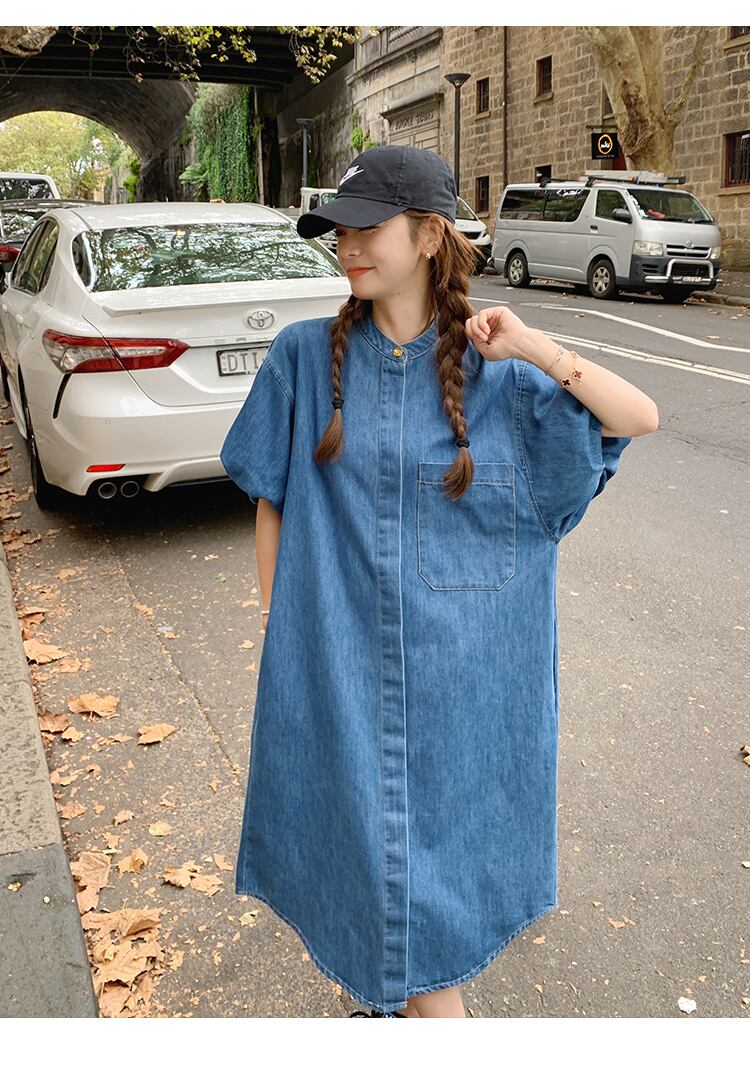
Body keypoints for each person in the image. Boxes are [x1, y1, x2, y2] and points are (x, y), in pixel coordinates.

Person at [220, 145, 659, 1019]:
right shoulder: (304, 358)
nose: (347, 245)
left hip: (463, 723)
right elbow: (272, 499)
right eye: (338, 230)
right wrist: (284, 628)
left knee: (421, 962)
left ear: (429, 236)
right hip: (339, 694)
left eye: (367, 227)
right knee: (369, 908)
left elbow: (636, 417)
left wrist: (535, 345)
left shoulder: (502, 379)